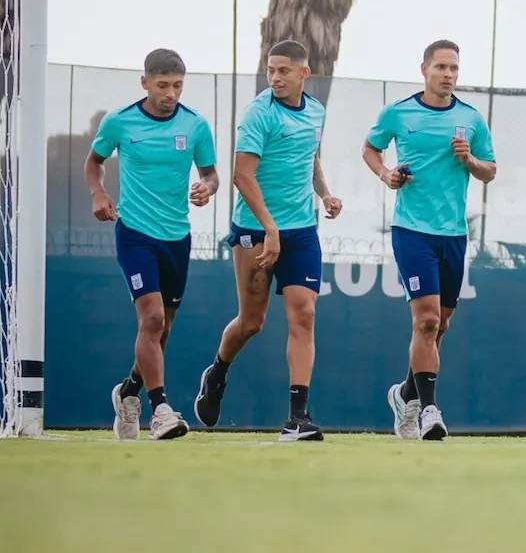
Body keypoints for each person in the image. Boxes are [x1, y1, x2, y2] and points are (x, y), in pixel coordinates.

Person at [192, 40, 342, 442]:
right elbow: (242, 176)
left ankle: (298, 418)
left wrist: (324, 193)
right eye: (271, 70)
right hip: (255, 230)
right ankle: (218, 372)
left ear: (303, 73)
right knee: (252, 323)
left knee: (304, 314)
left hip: (302, 231)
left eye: (283, 71)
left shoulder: (316, 111)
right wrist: (270, 230)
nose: (275, 77)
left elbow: (309, 157)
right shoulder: (258, 113)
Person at [365, 40, 497, 441]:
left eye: (454, 68)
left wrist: (469, 160)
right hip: (411, 230)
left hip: (453, 234)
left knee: (440, 325)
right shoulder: (398, 112)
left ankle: (405, 393)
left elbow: (489, 170)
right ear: (424, 69)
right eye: (441, 66)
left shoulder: (471, 120)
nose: (448, 74)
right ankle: (429, 411)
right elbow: (371, 149)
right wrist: (387, 174)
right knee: (425, 320)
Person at [87, 48, 219, 441]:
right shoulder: (120, 122)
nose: (171, 93)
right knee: (153, 319)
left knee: (163, 330)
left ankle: (128, 392)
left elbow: (211, 173)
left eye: (177, 85)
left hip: (176, 237)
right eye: (163, 85)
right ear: (145, 83)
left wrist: (206, 189)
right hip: (135, 234)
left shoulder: (195, 126)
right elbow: (94, 161)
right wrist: (98, 193)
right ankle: (160, 409)